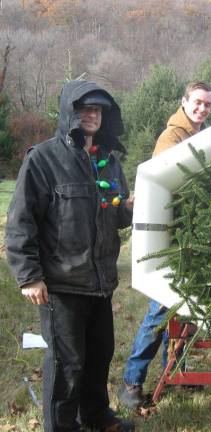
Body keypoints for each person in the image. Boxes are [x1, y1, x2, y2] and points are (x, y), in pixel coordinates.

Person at [5, 80, 134, 431]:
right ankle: (61, 427)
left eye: (98, 110)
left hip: (101, 281)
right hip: (62, 283)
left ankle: (96, 416)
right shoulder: (44, 159)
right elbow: (21, 220)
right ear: (69, 112)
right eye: (85, 108)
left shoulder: (108, 161)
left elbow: (116, 213)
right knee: (67, 364)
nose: (92, 115)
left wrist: (131, 208)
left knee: (99, 356)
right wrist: (29, 275)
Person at [118, 81, 211, 408]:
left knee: (184, 309)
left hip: (192, 236)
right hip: (171, 237)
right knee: (161, 310)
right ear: (184, 102)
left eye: (207, 105)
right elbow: (167, 183)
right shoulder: (172, 137)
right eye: (197, 103)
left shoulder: (202, 136)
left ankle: (177, 372)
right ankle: (132, 381)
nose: (202, 109)